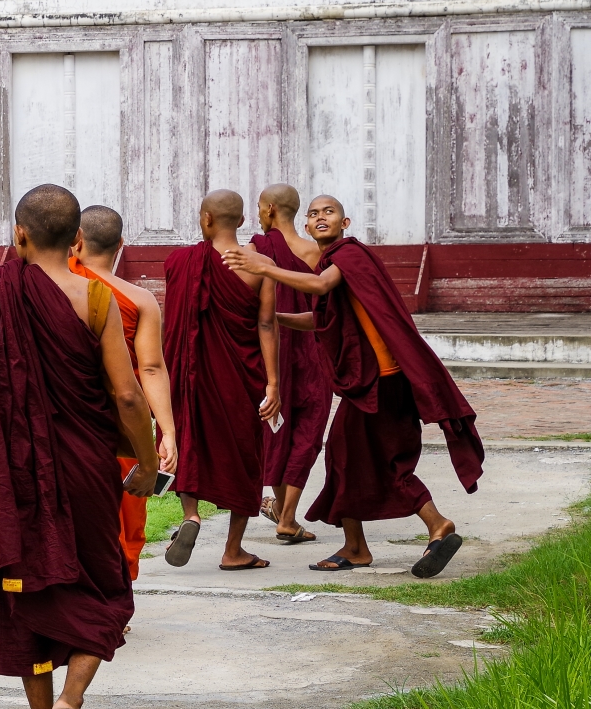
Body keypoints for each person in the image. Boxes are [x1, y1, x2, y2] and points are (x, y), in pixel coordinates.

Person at [0, 184, 157, 709]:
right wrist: (146, 465)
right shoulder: (96, 298)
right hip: (86, 467)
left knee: (28, 600)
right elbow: (126, 393)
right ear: (77, 240)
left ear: (17, 235)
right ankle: (74, 698)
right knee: (104, 589)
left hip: (14, 472)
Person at [226, 197, 483, 577]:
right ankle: (359, 546)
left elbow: (317, 286)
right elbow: (321, 319)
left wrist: (264, 267)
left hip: (384, 380)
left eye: (328, 212)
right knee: (349, 458)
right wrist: (273, 317)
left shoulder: (349, 256)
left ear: (344, 221)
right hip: (372, 382)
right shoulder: (333, 262)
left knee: (377, 461)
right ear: (308, 227)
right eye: (313, 214)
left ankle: (434, 525)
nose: (320, 217)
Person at [160, 191, 280, 572]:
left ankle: (191, 516)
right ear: (242, 222)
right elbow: (266, 324)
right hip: (242, 374)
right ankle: (233, 550)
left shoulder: (181, 261)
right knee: (245, 452)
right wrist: (273, 383)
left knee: (190, 437)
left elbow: (174, 321)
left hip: (191, 372)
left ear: (206, 219)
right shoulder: (261, 264)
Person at [68, 205, 179, 582]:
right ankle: (117, 595)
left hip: (69, 420)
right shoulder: (140, 299)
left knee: (71, 512)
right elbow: (150, 368)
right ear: (121, 245)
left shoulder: (55, 287)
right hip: (123, 425)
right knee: (124, 516)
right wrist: (167, 432)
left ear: (75, 241)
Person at [251, 185, 333, 547]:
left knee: (275, 430)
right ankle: (287, 517)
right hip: (313, 354)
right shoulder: (316, 252)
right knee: (307, 434)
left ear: (268, 209)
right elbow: (328, 310)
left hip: (271, 355)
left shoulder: (254, 250)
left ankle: (285, 515)